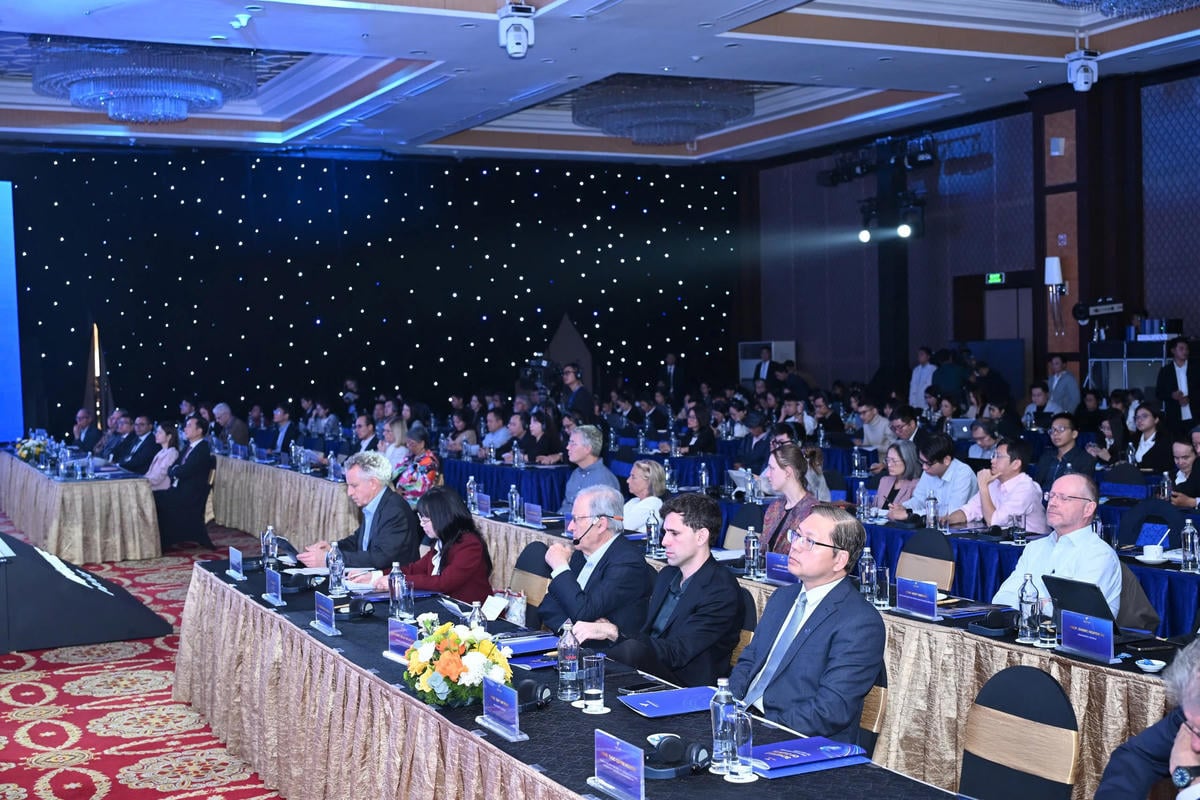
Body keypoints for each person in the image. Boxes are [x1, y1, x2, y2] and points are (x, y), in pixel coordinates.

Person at [729, 504, 885, 743]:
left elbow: (829, 710)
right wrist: (730, 706)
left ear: (839, 559)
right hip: (744, 721)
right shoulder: (782, 597)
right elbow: (749, 661)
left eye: (809, 541)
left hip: (796, 740)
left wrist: (759, 727)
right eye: (796, 535)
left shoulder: (860, 622)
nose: (795, 545)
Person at [572, 493, 742, 687]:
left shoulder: (721, 589)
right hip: (648, 668)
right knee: (591, 651)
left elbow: (677, 653)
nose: (664, 541)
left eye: (674, 533)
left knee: (617, 653)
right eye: (665, 532)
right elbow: (647, 635)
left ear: (701, 536)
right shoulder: (668, 575)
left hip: (686, 685)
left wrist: (615, 632)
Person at [992, 474, 1121, 616]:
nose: (1052, 503)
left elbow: (1073, 614)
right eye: (1051, 496)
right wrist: (1044, 604)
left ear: (1088, 509)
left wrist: (1029, 602)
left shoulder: (1099, 555)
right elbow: (1002, 599)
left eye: (1064, 498)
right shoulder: (1034, 548)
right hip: (1026, 629)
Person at [538, 486, 656, 641]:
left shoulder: (627, 563)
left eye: (576, 519)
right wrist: (573, 628)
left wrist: (560, 567)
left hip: (608, 652)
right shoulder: (581, 553)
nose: (570, 527)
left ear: (600, 524)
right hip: (574, 644)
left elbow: (582, 612)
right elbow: (547, 607)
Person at [1095, 638, 1200, 799]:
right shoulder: (1191, 715)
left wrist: (1188, 781)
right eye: (1194, 728)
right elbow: (1135, 757)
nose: (1194, 745)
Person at [298, 451, 422, 569]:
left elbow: (380, 558)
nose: (349, 493)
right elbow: (359, 541)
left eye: (354, 486)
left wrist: (330, 559)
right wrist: (333, 548)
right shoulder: (377, 503)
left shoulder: (394, 510)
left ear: (373, 483)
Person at [371, 487, 493, 605]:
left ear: (442, 518)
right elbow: (416, 569)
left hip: (470, 611)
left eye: (425, 521)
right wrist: (376, 575)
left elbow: (444, 583)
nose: (421, 525)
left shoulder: (469, 544)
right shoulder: (442, 541)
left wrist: (400, 580)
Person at [944, 438, 1049, 532]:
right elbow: (968, 511)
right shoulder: (995, 483)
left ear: (1016, 464)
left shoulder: (1026, 488)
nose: (992, 460)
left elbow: (994, 522)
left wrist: (983, 487)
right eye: (993, 456)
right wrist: (947, 520)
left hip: (1031, 542)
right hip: (1005, 540)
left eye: (998, 456)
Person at [157, 414, 214, 548]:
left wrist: (175, 471)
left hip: (190, 493)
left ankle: (166, 539)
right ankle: (164, 537)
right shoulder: (189, 446)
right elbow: (172, 467)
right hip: (178, 488)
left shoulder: (202, 449)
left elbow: (183, 471)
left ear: (199, 431)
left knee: (156, 498)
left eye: (189, 426)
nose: (185, 429)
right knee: (153, 496)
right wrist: (174, 471)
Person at [891, 433, 977, 521]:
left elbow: (950, 514)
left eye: (928, 463)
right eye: (922, 462)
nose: (924, 467)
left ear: (946, 460)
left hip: (960, 527)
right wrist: (903, 507)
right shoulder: (928, 471)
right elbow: (919, 500)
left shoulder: (963, 473)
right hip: (931, 524)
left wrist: (909, 515)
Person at [760, 443, 820, 554]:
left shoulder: (812, 511)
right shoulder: (774, 507)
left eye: (772, 468)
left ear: (788, 472)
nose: (767, 474)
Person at [558, 425, 620, 515]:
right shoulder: (575, 473)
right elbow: (566, 507)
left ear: (587, 449)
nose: (568, 447)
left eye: (573, 444)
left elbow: (602, 519)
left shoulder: (604, 481)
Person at [1033, 413, 1097, 492]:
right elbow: (1036, 486)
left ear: (1074, 434)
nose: (1055, 433)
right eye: (1052, 430)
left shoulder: (1085, 459)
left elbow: (1081, 491)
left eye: (1061, 429)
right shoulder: (1046, 456)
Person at [1157, 336, 1196, 435]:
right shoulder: (1165, 371)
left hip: (1195, 415)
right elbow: (1159, 393)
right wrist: (1172, 395)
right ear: (1173, 351)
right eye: (1181, 348)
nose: (1185, 351)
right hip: (1174, 416)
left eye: (1186, 349)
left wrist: (1190, 398)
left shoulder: (1196, 368)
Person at [394, 426, 439, 501]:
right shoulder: (410, 456)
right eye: (407, 443)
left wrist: (401, 491)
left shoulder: (430, 463)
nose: (408, 446)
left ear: (422, 444)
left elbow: (421, 488)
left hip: (416, 500)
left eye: (411, 443)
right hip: (398, 494)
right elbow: (396, 471)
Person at [874, 440, 921, 509]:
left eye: (894, 461)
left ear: (908, 461)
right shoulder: (884, 481)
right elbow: (874, 508)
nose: (889, 465)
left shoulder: (917, 485)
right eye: (888, 460)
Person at [623, 459, 666, 532]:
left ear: (648, 482)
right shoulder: (634, 501)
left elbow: (620, 527)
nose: (628, 481)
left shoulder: (653, 504)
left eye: (633, 477)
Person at [1131, 403, 1174, 474]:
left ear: (1156, 419)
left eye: (1144, 416)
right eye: (1137, 417)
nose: (1139, 420)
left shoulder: (1166, 441)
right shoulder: (1132, 440)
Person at [144, 421, 180, 491]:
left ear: (169, 436)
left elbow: (159, 476)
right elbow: (150, 473)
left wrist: (141, 482)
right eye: (156, 432)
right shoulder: (161, 451)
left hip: (159, 489)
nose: (156, 435)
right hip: (150, 486)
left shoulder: (172, 453)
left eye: (160, 432)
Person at [1046, 355, 1081, 420]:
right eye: (1052, 364)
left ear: (1064, 365)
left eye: (1057, 363)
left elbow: (1075, 399)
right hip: (1050, 411)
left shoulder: (1069, 379)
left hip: (1063, 412)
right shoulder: (1050, 379)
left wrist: (1067, 413)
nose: (1054, 366)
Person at [1171, 437, 1200, 511]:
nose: (1180, 462)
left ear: (1197, 455)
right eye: (1176, 458)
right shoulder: (1169, 477)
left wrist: (1193, 502)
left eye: (1185, 457)